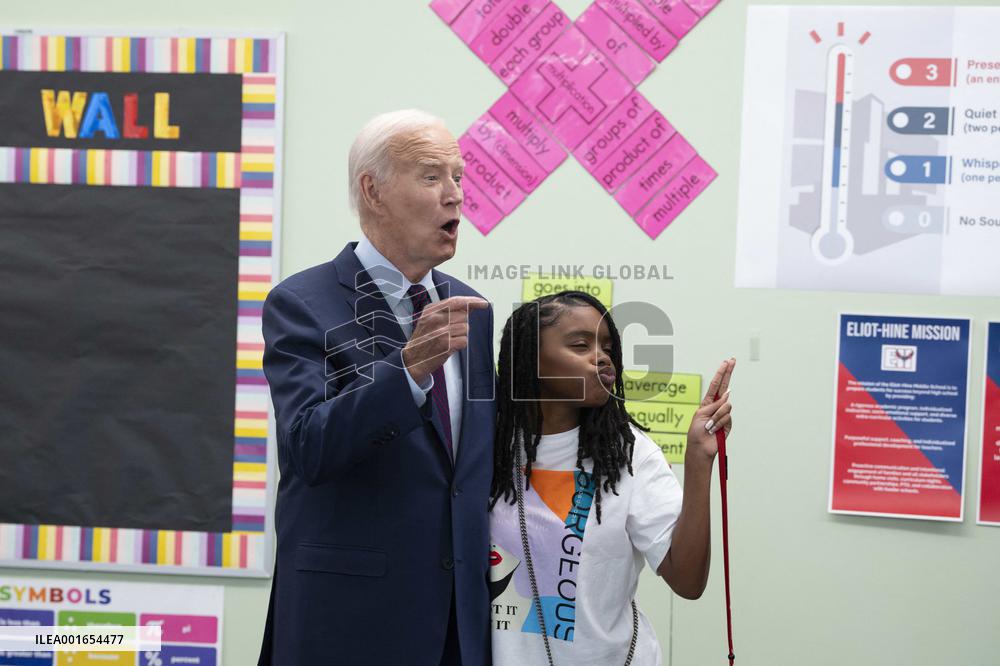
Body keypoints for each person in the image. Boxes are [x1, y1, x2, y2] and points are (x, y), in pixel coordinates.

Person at [258, 109, 495, 665]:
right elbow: (308, 447)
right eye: (433, 176)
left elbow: (472, 469)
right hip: (348, 624)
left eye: (459, 176)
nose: (455, 195)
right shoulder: (303, 304)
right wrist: (408, 370)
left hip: (457, 628)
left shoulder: (470, 308)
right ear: (373, 190)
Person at [488, 290, 734, 665]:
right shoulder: (484, 448)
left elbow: (687, 581)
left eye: (607, 347)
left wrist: (699, 460)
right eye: (581, 345)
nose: (601, 358)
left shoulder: (629, 453)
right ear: (529, 360)